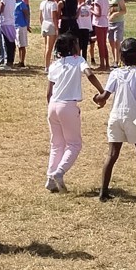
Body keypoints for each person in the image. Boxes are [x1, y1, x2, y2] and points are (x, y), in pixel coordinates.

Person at [94, 39, 136, 201]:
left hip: (115, 116)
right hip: (133, 116)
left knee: (112, 154)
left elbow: (105, 96)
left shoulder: (115, 72)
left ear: (121, 56)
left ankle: (103, 192)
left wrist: (97, 98)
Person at [44, 33, 104, 193]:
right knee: (74, 144)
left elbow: (48, 93)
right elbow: (90, 74)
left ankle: (50, 178)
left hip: (53, 106)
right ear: (73, 47)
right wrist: (102, 92)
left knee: (56, 144)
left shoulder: (55, 65)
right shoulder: (79, 60)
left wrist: (52, 108)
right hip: (68, 106)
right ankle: (59, 172)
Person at [91, 0, 111, 69]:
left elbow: (98, 13)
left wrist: (91, 9)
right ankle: (107, 63)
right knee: (104, 44)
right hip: (105, 22)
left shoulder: (97, 0)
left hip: (99, 23)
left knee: (100, 44)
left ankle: (102, 64)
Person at [14, 0, 31, 67]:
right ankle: (19, 60)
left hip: (21, 25)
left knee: (22, 44)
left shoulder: (21, 3)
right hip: (15, 26)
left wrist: (27, 24)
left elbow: (26, 14)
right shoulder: (14, 2)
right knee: (18, 44)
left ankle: (22, 61)